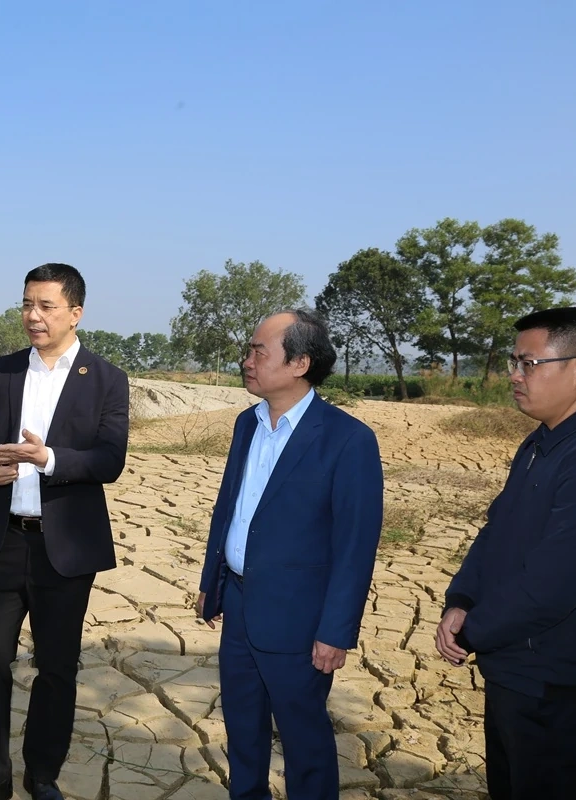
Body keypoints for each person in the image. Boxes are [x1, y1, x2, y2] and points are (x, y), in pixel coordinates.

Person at [436, 307, 576, 800]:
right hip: (514, 671)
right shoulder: (542, 443)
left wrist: (470, 631)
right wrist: (461, 599)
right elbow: (497, 533)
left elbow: (551, 587)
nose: (514, 375)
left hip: (556, 686)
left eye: (528, 364)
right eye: (513, 362)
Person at [0, 263, 129, 800]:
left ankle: (43, 775)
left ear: (75, 313)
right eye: (27, 304)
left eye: (46, 306)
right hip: (1, 541)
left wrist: (46, 458)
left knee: (56, 668)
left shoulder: (107, 379)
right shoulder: (1, 371)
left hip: (65, 549)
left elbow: (109, 459)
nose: (33, 315)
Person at [196, 310, 384, 800]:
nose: (247, 360)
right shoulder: (248, 423)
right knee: (242, 727)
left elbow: (355, 546)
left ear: (300, 363)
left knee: (304, 739)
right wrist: (211, 583)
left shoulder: (348, 439)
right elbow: (229, 508)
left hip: (301, 621)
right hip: (240, 604)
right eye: (249, 350)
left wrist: (336, 631)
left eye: (260, 352)